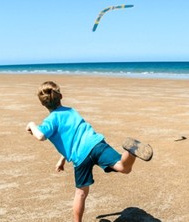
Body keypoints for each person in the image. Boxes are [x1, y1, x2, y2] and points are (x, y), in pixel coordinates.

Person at [26, 81, 153, 222]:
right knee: (124, 167)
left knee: (81, 193)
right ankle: (131, 151)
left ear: (42, 103)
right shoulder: (71, 111)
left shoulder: (50, 120)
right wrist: (62, 159)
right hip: (96, 143)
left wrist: (32, 125)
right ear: (60, 96)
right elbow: (73, 136)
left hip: (81, 157)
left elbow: (41, 136)